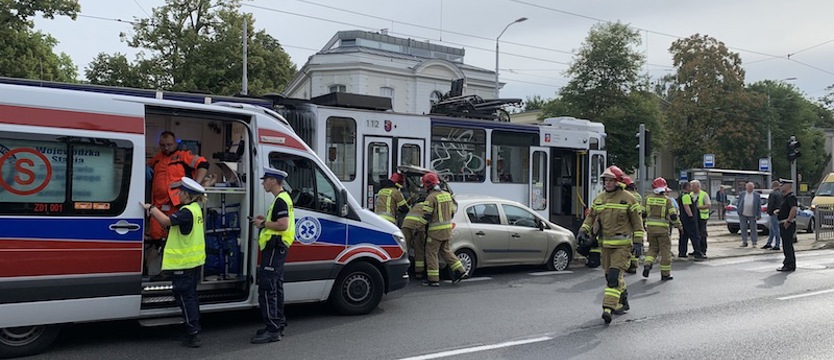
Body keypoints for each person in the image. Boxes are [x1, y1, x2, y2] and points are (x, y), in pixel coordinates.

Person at [140, 177, 207, 348]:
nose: (177, 195)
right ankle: (193, 329)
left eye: (180, 192)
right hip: (192, 262)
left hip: (184, 264)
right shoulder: (195, 209)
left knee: (185, 298)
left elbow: (165, 221)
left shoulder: (186, 212)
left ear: (187, 194)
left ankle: (192, 333)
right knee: (190, 297)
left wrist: (151, 208)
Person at [577, 166, 643, 324]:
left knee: (613, 276)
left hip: (623, 246)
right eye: (605, 180)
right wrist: (583, 231)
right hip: (605, 245)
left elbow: (637, 223)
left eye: (610, 180)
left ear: (618, 181)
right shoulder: (599, 199)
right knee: (610, 275)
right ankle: (623, 300)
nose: (607, 183)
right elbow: (591, 217)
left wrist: (638, 242)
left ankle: (608, 308)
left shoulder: (628, 198)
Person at [146, 131, 209, 275]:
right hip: (159, 206)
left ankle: (170, 272)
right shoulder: (157, 159)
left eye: (169, 145)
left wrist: (195, 185)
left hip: (176, 205)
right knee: (156, 240)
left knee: (172, 240)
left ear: (176, 143)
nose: (166, 148)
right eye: (163, 145)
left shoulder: (183, 156)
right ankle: (149, 273)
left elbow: (203, 164)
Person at [250, 167, 295, 344]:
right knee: (276, 286)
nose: (263, 183)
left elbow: (283, 225)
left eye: (265, 180)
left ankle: (272, 330)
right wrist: (265, 221)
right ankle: (277, 323)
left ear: (273, 181)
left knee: (268, 288)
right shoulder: (282, 198)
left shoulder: (281, 200)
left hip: (275, 248)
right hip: (278, 248)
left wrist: (263, 224)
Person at [421, 172, 466, 287]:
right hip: (447, 230)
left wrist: (418, 227)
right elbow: (452, 212)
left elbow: (426, 216)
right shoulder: (446, 195)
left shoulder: (431, 198)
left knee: (431, 253)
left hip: (435, 232)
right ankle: (460, 270)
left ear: (428, 185)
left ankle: (433, 279)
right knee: (446, 251)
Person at [643, 178, 681, 280]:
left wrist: (643, 225)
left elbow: (642, 214)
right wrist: (679, 226)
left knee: (652, 249)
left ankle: (647, 263)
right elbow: (673, 216)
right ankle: (665, 274)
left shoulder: (647, 199)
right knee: (665, 251)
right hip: (663, 230)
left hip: (650, 229)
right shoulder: (667, 200)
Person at [677, 182, 705, 259]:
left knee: (684, 236)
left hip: (683, 219)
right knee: (695, 236)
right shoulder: (686, 196)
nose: (691, 188)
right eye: (690, 187)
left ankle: (682, 252)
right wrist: (691, 217)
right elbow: (686, 206)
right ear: (687, 187)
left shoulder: (681, 195)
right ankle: (698, 252)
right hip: (688, 220)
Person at [401, 198, 428, 279]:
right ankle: (419, 273)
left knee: (405, 248)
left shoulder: (416, 205)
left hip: (405, 225)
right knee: (419, 249)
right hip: (417, 226)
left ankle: (401, 269)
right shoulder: (428, 206)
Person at [622, 176, 644, 274]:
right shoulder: (638, 196)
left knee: (626, 244)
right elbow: (642, 210)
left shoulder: (624, 195)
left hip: (626, 223)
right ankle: (633, 266)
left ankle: (625, 264)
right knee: (636, 243)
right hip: (638, 222)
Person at [776, 179, 798, 272]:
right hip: (784, 222)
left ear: (788, 186)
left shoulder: (791, 197)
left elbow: (794, 209)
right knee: (786, 244)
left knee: (787, 245)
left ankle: (789, 264)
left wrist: (788, 221)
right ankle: (789, 263)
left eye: (783, 184)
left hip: (787, 224)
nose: (781, 186)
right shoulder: (786, 197)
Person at [737, 182, 762, 247]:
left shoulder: (756, 195)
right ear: (746, 187)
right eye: (749, 187)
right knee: (743, 228)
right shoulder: (742, 194)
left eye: (751, 187)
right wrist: (739, 211)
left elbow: (759, 205)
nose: (750, 188)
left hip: (752, 214)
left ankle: (754, 242)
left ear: (753, 187)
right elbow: (739, 203)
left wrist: (759, 214)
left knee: (753, 229)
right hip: (743, 214)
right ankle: (744, 242)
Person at [690, 180, 711, 255]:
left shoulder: (704, 194)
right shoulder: (691, 194)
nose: (691, 188)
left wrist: (698, 207)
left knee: (702, 234)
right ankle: (696, 249)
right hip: (694, 217)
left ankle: (703, 250)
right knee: (695, 234)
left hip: (702, 217)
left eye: (693, 186)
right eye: (691, 186)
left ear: (698, 186)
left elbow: (708, 205)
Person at [763, 180, 784, 250]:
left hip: (773, 213)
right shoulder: (781, 194)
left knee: (775, 229)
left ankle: (777, 244)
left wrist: (769, 211)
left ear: (773, 186)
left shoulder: (773, 194)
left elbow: (771, 204)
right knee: (772, 229)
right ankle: (769, 243)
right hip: (779, 212)